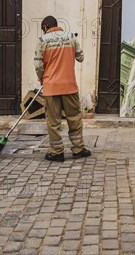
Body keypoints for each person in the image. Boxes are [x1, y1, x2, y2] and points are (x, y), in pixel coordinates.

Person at [34, 16, 91, 162]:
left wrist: (42, 79)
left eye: (43, 29)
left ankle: (57, 152)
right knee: (74, 118)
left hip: (51, 87)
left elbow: (39, 66)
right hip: (69, 86)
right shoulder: (71, 38)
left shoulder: (42, 41)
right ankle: (78, 149)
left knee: (53, 122)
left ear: (46, 27)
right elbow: (81, 57)